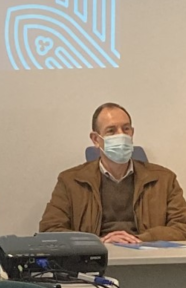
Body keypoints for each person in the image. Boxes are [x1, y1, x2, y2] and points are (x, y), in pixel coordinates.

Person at [39, 102, 186, 243]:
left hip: (147, 255)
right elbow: (50, 230)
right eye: (111, 131)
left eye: (126, 129)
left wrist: (140, 239)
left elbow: (182, 226)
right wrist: (98, 242)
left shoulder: (164, 179)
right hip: (96, 256)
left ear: (132, 133)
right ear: (96, 139)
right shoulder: (70, 181)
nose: (121, 135)